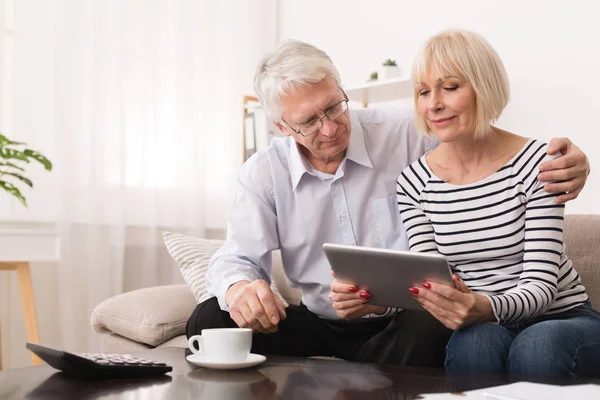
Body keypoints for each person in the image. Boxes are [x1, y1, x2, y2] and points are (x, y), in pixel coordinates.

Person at [186, 39, 591, 367]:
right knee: (209, 319)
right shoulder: (263, 173)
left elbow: (480, 141)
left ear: (341, 90)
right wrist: (239, 287)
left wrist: (569, 162)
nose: (329, 129)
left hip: (401, 321)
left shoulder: (406, 134)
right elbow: (235, 257)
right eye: (309, 122)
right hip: (320, 321)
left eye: (333, 106)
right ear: (282, 126)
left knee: (435, 328)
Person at [393, 29, 600, 378]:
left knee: (537, 347)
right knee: (474, 345)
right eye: (424, 92)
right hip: (480, 320)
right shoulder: (413, 183)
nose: (433, 104)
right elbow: (433, 282)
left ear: (483, 86)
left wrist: (482, 307)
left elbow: (542, 288)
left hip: (562, 318)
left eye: (451, 87)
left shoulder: (540, 162)